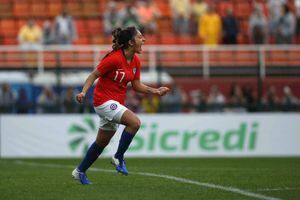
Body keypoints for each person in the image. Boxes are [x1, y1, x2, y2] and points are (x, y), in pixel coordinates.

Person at [72, 26, 170, 185]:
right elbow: (93, 75)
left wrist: (156, 91)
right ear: (131, 42)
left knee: (101, 142)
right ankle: (118, 157)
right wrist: (83, 92)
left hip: (115, 103)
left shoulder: (136, 60)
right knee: (135, 122)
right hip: (103, 101)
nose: (143, 39)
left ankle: (79, 171)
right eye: (140, 37)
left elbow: (136, 85)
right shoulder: (114, 58)